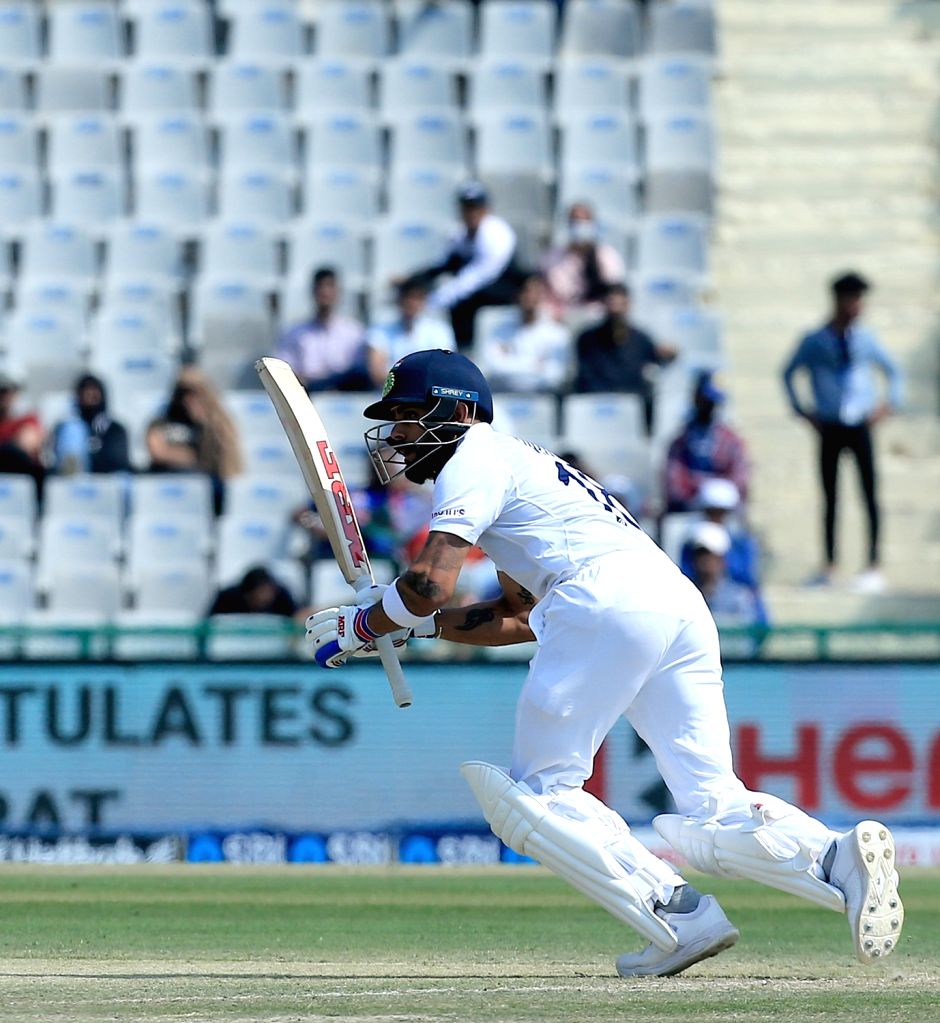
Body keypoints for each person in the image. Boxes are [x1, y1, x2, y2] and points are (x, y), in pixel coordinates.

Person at [304, 349, 903, 977]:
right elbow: (514, 614)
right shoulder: (520, 463)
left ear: (453, 411)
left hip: (603, 597)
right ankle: (837, 858)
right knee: (711, 801)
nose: (396, 435)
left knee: (538, 793)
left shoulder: (471, 455)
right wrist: (405, 625)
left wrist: (363, 624)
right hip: (671, 601)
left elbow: (429, 584)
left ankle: (676, 912)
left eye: (405, 416)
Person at [781, 272, 902, 592]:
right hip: (830, 424)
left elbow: (893, 371)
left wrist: (889, 405)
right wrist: (802, 410)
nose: (858, 305)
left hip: (860, 423)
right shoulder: (816, 340)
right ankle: (830, 564)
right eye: (853, 298)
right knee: (830, 497)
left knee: (869, 495)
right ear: (839, 299)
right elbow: (789, 373)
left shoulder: (866, 338)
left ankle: (873, 564)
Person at [403, 181, 522, 350]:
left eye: (476, 207)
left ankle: (465, 348)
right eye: (467, 207)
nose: (471, 213)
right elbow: (442, 264)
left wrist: (432, 301)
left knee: (462, 300)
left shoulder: (497, 234)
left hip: (501, 291)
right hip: (474, 288)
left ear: (486, 209)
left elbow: (477, 278)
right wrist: (412, 280)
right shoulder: (460, 233)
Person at [572, 282, 676, 434]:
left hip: (632, 402)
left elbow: (659, 357)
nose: (616, 310)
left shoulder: (641, 339)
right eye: (612, 304)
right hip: (596, 404)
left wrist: (670, 354)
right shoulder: (586, 339)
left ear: (628, 305)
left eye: (621, 304)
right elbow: (585, 377)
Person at [145, 366, 243, 515]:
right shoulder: (163, 418)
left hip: (206, 488)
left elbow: (223, 460)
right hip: (165, 483)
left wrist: (203, 421)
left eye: (194, 393)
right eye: (183, 393)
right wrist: (191, 456)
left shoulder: (219, 423)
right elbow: (157, 450)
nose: (188, 399)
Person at [275, 267, 370, 392]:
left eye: (330, 286)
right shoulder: (294, 333)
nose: (325, 292)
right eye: (320, 286)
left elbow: (360, 371)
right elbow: (283, 370)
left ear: (338, 292)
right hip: (306, 393)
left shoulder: (354, 332)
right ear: (312, 291)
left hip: (344, 393)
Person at [664, 374, 750, 512]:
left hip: (723, 510)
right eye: (704, 401)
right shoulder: (681, 441)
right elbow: (673, 477)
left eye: (712, 402)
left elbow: (740, 477)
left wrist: (719, 493)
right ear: (696, 399)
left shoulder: (731, 441)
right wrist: (696, 492)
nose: (708, 407)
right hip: (688, 509)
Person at [476, 273, 571, 394]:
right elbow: (491, 367)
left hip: (541, 398)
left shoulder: (557, 334)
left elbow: (556, 375)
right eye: (527, 292)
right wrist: (535, 365)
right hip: (502, 397)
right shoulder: (499, 330)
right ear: (518, 295)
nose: (531, 297)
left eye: (537, 293)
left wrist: (510, 361)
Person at [542, 201, 627, 324]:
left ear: (593, 224)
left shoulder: (608, 256)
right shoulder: (551, 258)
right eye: (575, 221)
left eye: (584, 221)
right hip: (560, 321)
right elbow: (545, 295)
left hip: (598, 322)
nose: (579, 225)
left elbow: (615, 294)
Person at [366, 281, 456, 388]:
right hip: (389, 397)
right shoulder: (380, 331)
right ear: (399, 300)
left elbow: (445, 368)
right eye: (408, 297)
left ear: (424, 301)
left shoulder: (440, 331)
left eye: (417, 298)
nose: (412, 303)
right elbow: (377, 373)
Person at [678, 477, 760, 589]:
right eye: (712, 511)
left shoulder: (741, 542)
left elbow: (747, 577)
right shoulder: (691, 542)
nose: (716, 517)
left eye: (721, 512)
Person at [685, 521, 765, 629]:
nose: (704, 560)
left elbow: (745, 638)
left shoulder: (739, 598)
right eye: (699, 554)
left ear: (721, 559)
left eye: (709, 555)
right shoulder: (686, 595)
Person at [51, 373, 132, 475]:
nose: (90, 395)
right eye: (85, 391)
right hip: (75, 481)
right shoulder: (67, 428)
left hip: (108, 482)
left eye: (94, 391)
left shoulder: (116, 429)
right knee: (73, 430)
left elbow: (118, 462)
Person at [0, 371, 45, 493]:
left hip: (22, 484)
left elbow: (25, 446)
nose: (2, 396)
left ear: (14, 393)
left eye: (4, 391)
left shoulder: (28, 419)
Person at [208, 565, 297, 618]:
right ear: (249, 594)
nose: (270, 596)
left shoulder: (281, 597)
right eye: (263, 591)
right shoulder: (227, 598)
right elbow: (209, 622)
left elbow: (300, 615)